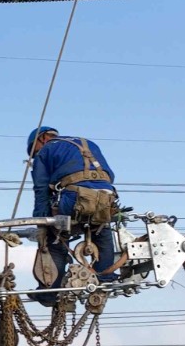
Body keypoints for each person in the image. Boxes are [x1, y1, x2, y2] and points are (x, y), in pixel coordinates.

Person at [27, 126, 122, 297]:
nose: (35, 156)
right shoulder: (88, 144)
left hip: (74, 198)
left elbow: (41, 189)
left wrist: (42, 222)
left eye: (34, 152)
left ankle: (49, 293)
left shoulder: (45, 151)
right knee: (101, 229)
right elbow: (110, 175)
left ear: (42, 139)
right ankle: (104, 280)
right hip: (106, 197)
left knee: (55, 239)